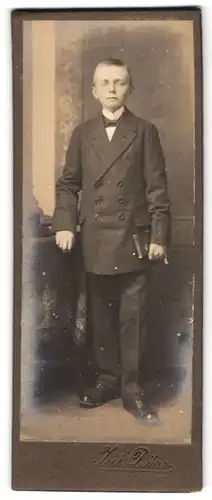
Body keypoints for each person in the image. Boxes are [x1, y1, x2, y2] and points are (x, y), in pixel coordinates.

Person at [52, 58, 171, 424]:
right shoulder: (82, 132)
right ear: (94, 90)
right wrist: (65, 224)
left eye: (119, 82)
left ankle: (132, 391)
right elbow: (69, 185)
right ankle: (107, 380)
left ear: (128, 88)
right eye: (105, 82)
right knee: (102, 318)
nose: (112, 89)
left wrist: (159, 235)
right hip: (96, 240)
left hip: (133, 240)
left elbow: (157, 189)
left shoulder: (145, 130)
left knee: (132, 319)